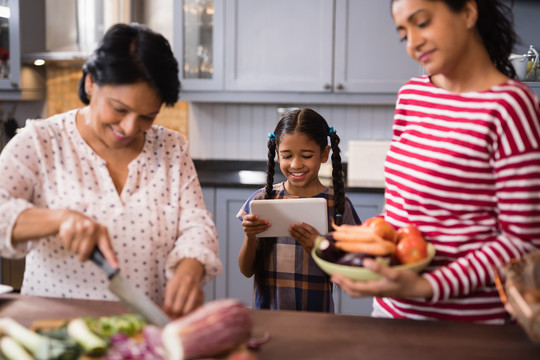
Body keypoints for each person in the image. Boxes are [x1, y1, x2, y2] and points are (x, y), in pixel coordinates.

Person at [331, 0, 540, 324]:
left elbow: (523, 241)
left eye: (423, 22)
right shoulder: (411, 97)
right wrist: (368, 259)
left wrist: (427, 285)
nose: (413, 43)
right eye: (404, 34)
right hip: (391, 311)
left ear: (469, 13)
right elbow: (405, 210)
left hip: (468, 327)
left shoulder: (512, 107)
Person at [0, 23, 222, 318]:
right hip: (55, 331)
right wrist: (59, 219)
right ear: (91, 82)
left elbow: (196, 225)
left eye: (147, 116)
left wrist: (189, 268)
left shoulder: (171, 147)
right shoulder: (41, 141)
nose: (130, 128)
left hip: (141, 331)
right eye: (119, 109)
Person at [237, 108, 361, 312]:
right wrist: (251, 237)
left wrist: (318, 247)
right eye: (286, 155)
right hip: (268, 317)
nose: (295, 164)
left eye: (306, 155)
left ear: (324, 154)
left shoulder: (338, 204)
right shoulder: (263, 199)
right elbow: (246, 270)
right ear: (277, 153)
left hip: (318, 320)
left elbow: (350, 274)